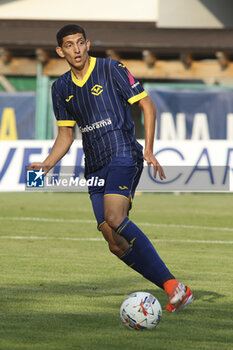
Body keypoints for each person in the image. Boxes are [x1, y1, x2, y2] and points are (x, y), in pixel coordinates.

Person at [28, 24, 193, 312]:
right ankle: (175, 288)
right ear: (60, 50)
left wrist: (149, 149)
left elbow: (147, 106)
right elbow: (66, 135)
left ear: (88, 44)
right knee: (114, 242)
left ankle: (174, 287)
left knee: (115, 217)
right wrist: (47, 163)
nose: (76, 49)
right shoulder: (60, 89)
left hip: (124, 154)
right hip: (94, 166)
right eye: (69, 45)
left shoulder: (112, 68)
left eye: (80, 43)